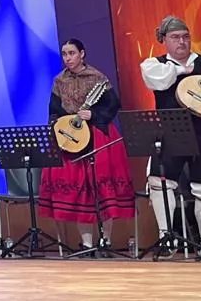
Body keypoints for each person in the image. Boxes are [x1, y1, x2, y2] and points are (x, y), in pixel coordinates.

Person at [139, 15, 201, 256]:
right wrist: (186, 69)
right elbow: (159, 81)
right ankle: (166, 238)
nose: (181, 42)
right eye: (175, 37)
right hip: (170, 134)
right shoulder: (155, 64)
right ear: (165, 41)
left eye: (185, 37)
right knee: (160, 183)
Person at [38, 39, 133, 249]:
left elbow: (113, 105)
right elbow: (53, 111)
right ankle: (87, 244)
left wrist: (94, 114)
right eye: (64, 54)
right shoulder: (59, 81)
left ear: (82, 53)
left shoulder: (97, 78)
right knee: (80, 193)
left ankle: (105, 240)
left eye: (72, 53)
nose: (68, 58)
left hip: (98, 136)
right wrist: (62, 128)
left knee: (101, 190)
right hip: (71, 138)